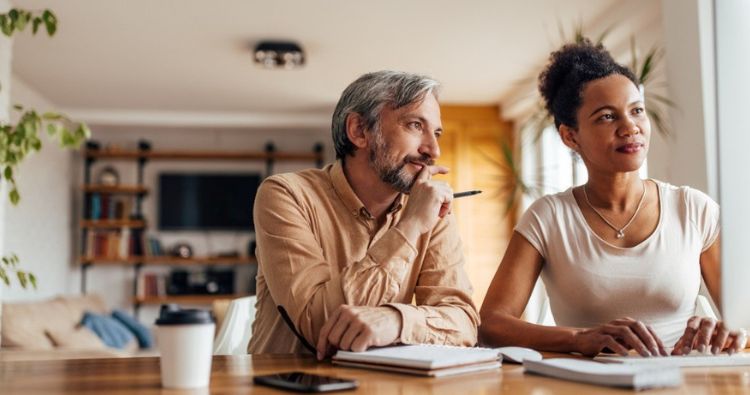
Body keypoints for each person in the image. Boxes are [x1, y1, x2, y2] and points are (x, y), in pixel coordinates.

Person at [479, 40, 746, 357]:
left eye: (637, 111)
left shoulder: (692, 209)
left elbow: (744, 320)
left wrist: (728, 332)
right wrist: (580, 339)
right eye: (607, 117)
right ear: (570, 136)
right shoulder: (548, 217)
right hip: (583, 387)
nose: (629, 127)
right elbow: (491, 325)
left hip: (680, 383)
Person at [247, 71, 479, 357]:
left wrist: (396, 321)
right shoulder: (285, 194)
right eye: (415, 125)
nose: (433, 149)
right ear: (358, 130)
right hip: (287, 383)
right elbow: (320, 327)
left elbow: (464, 323)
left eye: (437, 132)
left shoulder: (431, 210)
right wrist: (410, 226)